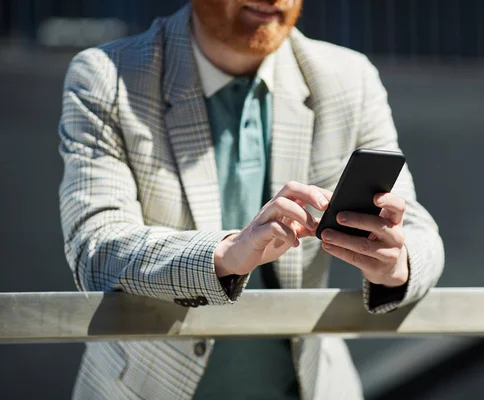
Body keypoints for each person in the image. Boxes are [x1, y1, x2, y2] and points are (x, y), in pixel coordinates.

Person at [58, 1, 444, 399]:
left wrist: (399, 264)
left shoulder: (349, 79)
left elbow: (419, 232)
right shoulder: (109, 77)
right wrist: (225, 254)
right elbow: (97, 247)